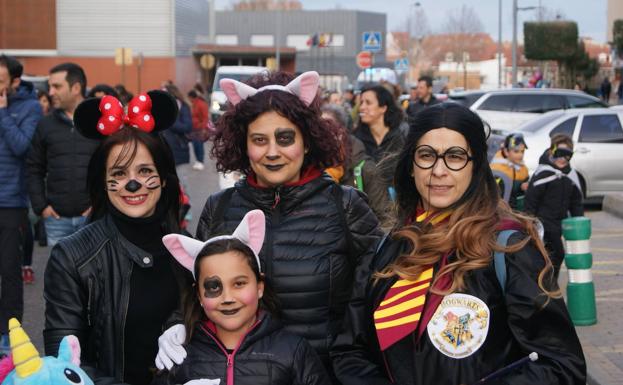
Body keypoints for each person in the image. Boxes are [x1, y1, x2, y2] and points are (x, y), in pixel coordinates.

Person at [331, 103, 586, 385]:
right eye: (426, 155)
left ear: (475, 166)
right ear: (411, 166)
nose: (439, 170)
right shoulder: (386, 249)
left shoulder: (509, 249)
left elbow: (562, 365)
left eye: (455, 156)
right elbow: (349, 351)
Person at [154, 71, 382, 382]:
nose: (272, 152)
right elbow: (197, 288)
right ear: (243, 145)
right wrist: (176, 324)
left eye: (285, 138)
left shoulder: (346, 206)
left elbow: (378, 295)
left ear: (307, 140)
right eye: (259, 140)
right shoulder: (219, 208)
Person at [43, 90, 191, 385]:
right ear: (103, 180)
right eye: (119, 173)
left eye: (145, 170)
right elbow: (66, 363)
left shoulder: (187, 249)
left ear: (163, 179)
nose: (132, 184)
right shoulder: (72, 257)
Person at [154, 210, 330, 385]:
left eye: (239, 283)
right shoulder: (177, 356)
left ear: (259, 287)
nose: (227, 297)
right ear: (199, 295)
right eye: (213, 287)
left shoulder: (293, 352)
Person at [26, 63, 99, 246]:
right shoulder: (45, 125)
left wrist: (99, 205)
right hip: (56, 220)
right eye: (50, 86)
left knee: (94, 273)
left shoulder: (98, 124)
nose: (50, 92)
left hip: (93, 219)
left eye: (57, 86)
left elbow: (111, 168)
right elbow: (34, 168)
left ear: (76, 88)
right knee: (59, 274)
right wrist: (42, 207)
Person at [0, 54, 43, 355]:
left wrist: (2, 114)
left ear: (15, 81)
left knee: (9, 271)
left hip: (10, 201)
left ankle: (8, 334)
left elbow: (23, 148)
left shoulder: (30, 108)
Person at [321, 104, 391, 228]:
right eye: (318, 129)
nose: (322, 135)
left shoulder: (366, 170)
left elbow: (386, 220)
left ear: (341, 132)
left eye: (328, 128)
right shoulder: (309, 169)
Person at [525, 134, 583, 280]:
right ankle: (547, 284)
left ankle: (549, 283)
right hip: (542, 223)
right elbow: (531, 200)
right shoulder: (543, 173)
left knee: (552, 257)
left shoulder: (569, 175)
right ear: (551, 151)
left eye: (567, 156)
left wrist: (578, 221)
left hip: (559, 223)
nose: (562, 159)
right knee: (555, 254)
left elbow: (576, 201)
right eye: (559, 154)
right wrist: (530, 223)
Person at [354, 85, 405, 202]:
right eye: (361, 103)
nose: (362, 107)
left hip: (398, 203)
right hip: (365, 203)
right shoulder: (356, 139)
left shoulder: (400, 136)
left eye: (368, 103)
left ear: (383, 108)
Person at [161, 83, 192, 194]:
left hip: (179, 151)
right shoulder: (160, 109)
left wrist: (171, 120)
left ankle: (186, 210)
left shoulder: (182, 106)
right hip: (163, 152)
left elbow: (188, 126)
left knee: (182, 184)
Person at [490, 133, 530, 210]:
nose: (520, 155)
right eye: (516, 151)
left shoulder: (522, 167)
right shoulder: (498, 171)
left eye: (522, 151)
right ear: (506, 151)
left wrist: (522, 186)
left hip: (516, 210)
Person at [187, 89, 209, 171]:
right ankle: (197, 161)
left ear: (191, 97)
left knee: (199, 145)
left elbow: (205, 117)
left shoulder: (201, 104)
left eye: (189, 97)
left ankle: (201, 161)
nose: (188, 99)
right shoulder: (193, 104)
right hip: (194, 128)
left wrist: (203, 128)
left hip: (199, 128)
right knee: (195, 145)